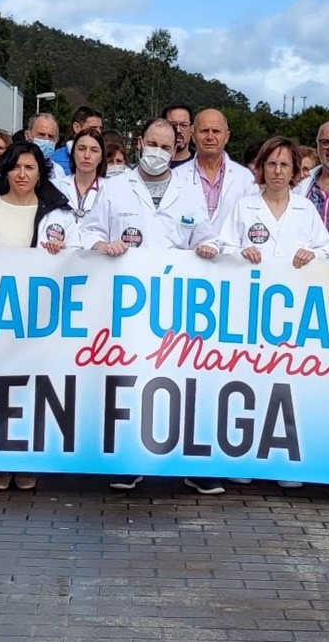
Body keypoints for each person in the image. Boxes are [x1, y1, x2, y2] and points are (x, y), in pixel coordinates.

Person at [80, 117, 221, 496]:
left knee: (177, 384)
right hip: (125, 308)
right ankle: (128, 462)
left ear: (176, 149)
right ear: (139, 142)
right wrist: (100, 246)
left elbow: (206, 235)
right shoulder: (113, 188)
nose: (158, 153)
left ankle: (188, 466)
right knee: (128, 383)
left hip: (175, 309)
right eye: (152, 144)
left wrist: (208, 247)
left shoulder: (189, 192)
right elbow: (89, 230)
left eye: (167, 146)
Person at [0, 141, 79, 491]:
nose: (22, 174)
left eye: (30, 168)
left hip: (40, 318)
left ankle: (27, 460)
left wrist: (64, 251)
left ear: (40, 172)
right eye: (16, 167)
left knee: (34, 390)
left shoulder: (58, 212)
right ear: (6, 170)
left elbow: (79, 253)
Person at [221, 136, 329, 268]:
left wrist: (312, 254)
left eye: (284, 165)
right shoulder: (243, 206)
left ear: (293, 170)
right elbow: (225, 247)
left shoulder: (306, 208)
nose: (277, 171)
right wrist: (240, 253)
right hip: (252, 285)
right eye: (272, 164)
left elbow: (325, 250)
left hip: (295, 285)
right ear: (262, 168)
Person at [185, 109, 257, 225]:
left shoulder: (245, 178)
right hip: (189, 243)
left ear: (226, 136)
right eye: (204, 131)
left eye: (216, 131)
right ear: (193, 135)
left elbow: (252, 220)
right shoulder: (177, 176)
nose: (210, 137)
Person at [53, 127, 107, 219]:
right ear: (73, 153)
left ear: (101, 158)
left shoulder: (108, 190)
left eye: (94, 150)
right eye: (82, 149)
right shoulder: (57, 187)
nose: (87, 155)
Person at [49, 106, 103, 174]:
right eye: (93, 128)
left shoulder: (105, 158)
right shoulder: (55, 159)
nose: (99, 133)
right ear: (76, 127)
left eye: (100, 128)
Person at [26, 113, 67, 179]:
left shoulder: (59, 173)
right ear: (28, 135)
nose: (46, 140)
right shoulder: (16, 165)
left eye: (51, 136)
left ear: (56, 140)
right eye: (41, 135)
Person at [161, 103, 194, 168]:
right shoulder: (152, 164)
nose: (178, 130)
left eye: (183, 125)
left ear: (191, 130)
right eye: (173, 125)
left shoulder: (201, 165)